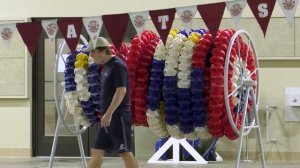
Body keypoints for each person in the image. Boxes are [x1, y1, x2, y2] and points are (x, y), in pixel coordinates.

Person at [85, 37, 138, 168]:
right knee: (96, 150)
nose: (92, 56)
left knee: (124, 151)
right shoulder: (106, 67)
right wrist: (106, 114)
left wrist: (109, 113)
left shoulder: (118, 66)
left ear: (101, 51)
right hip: (107, 117)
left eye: (93, 52)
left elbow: (121, 91)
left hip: (118, 115)